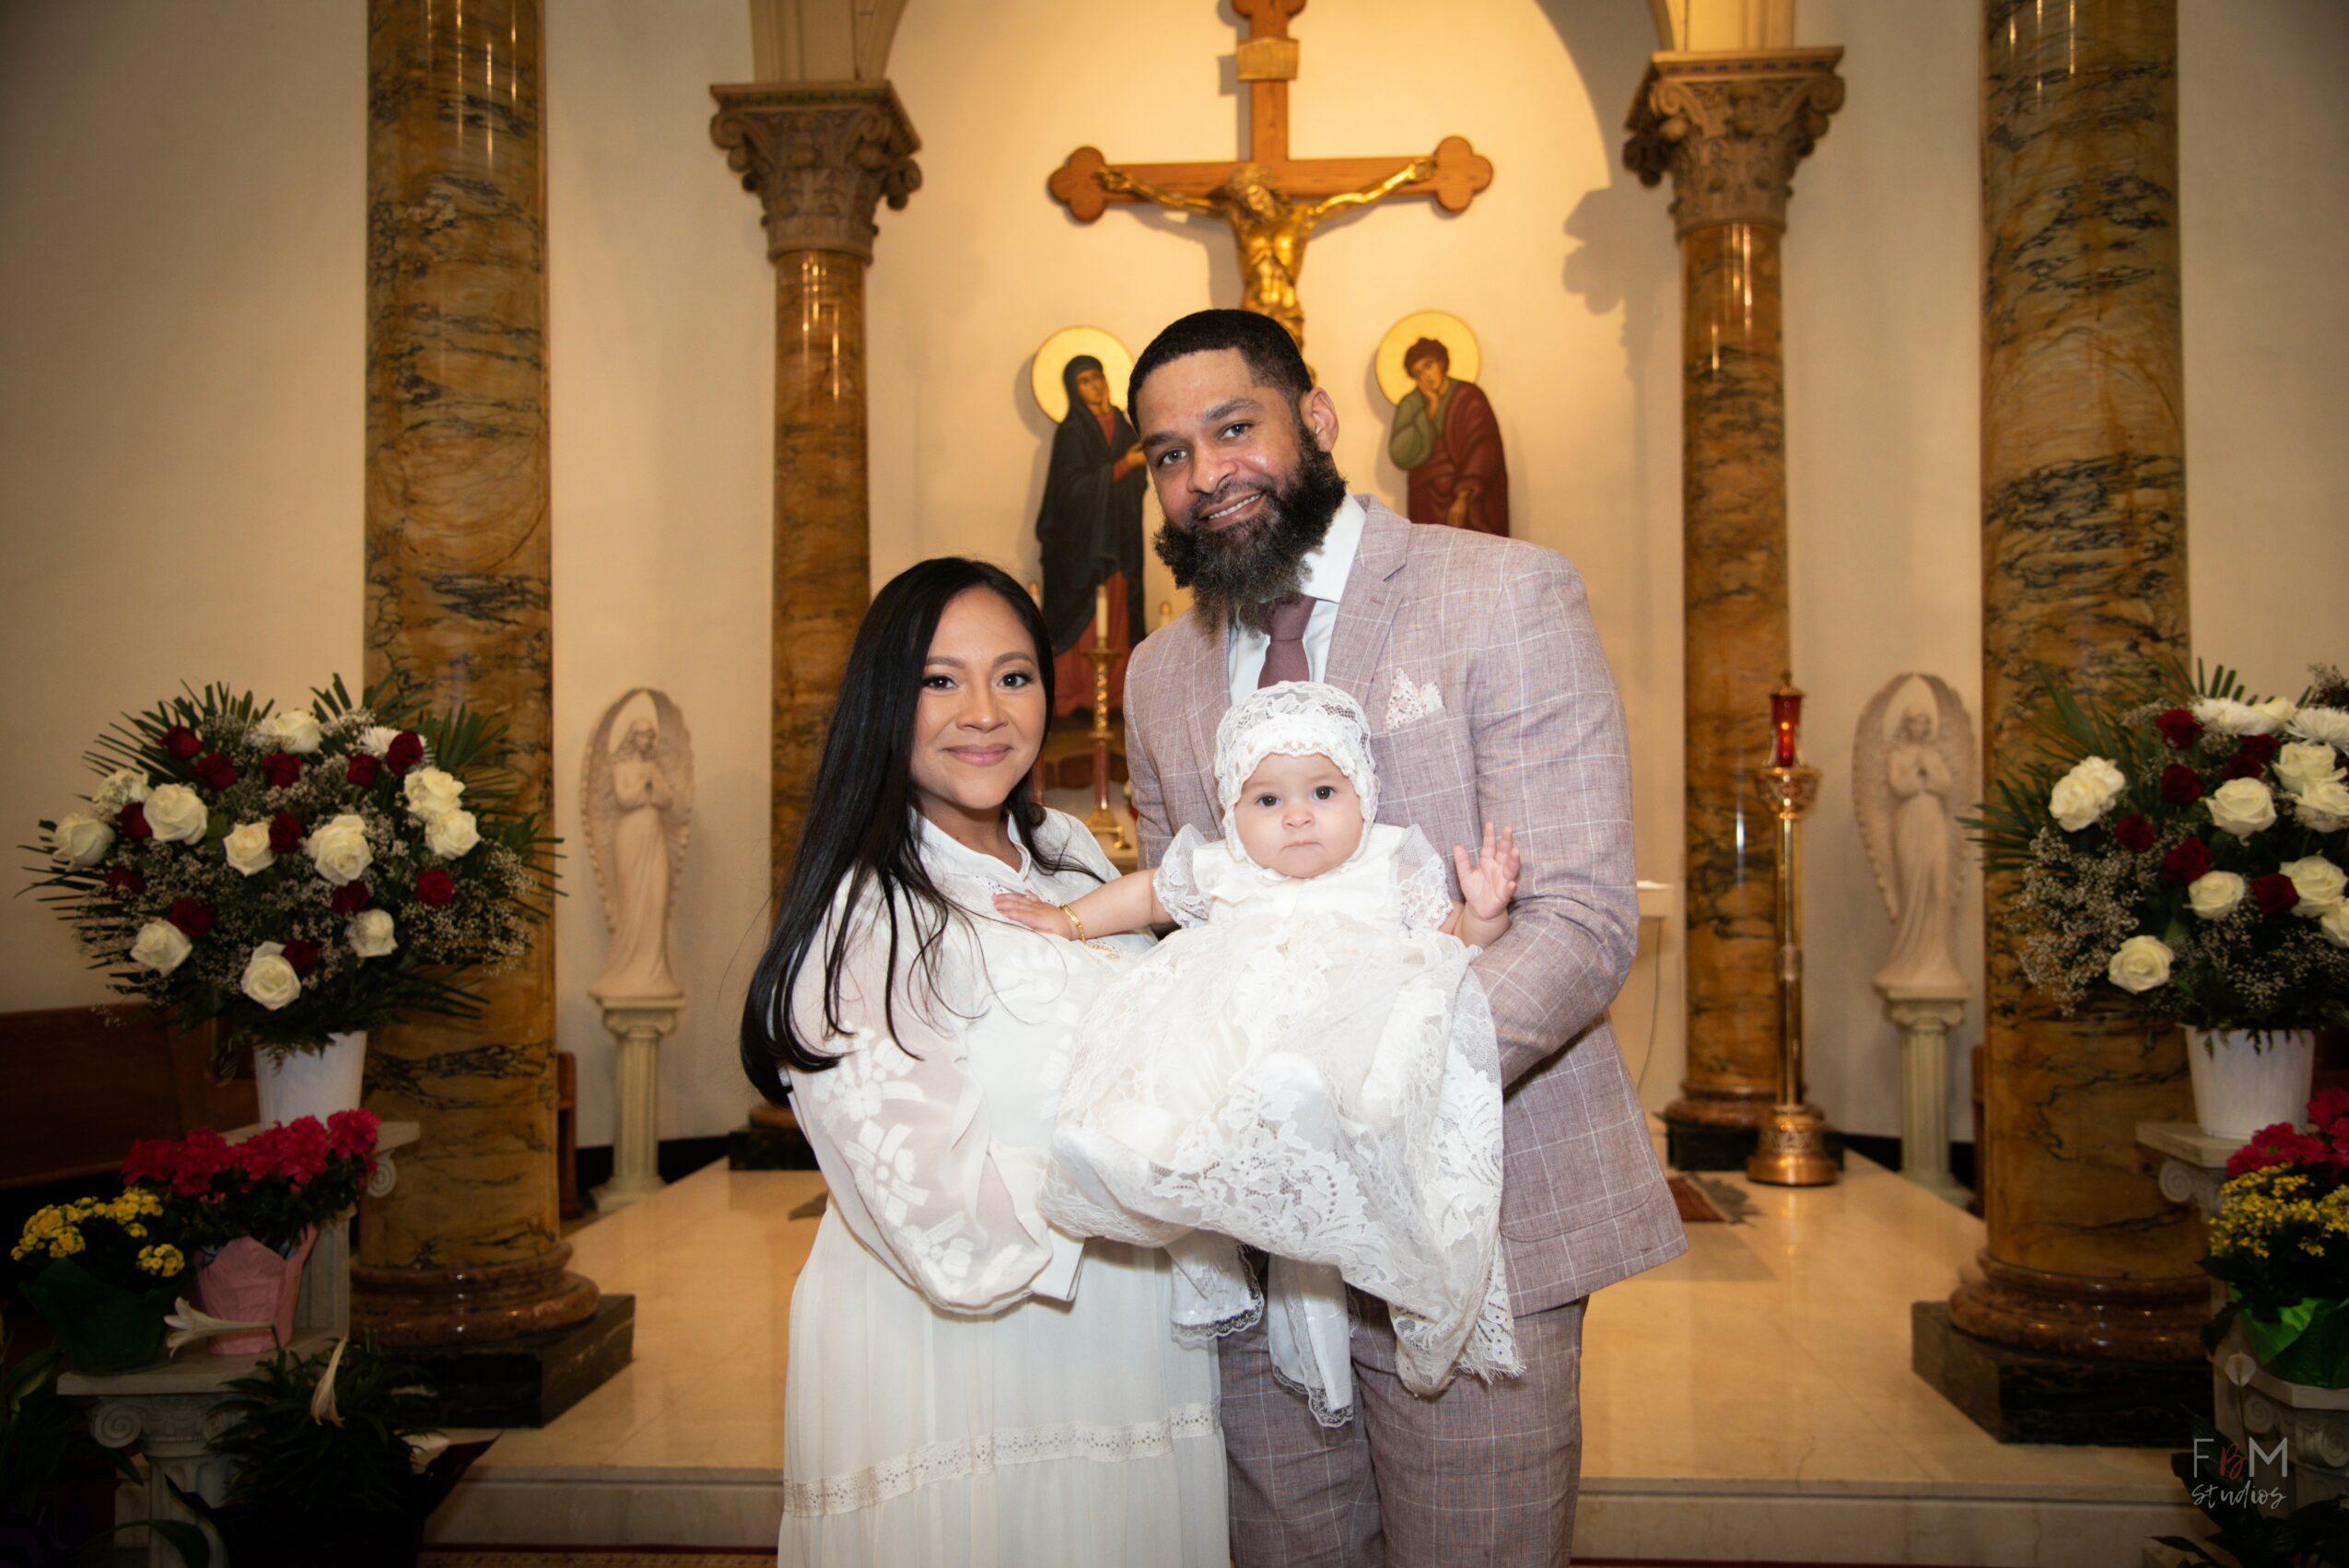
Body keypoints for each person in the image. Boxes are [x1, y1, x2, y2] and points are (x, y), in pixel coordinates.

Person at [1120, 308, 1687, 1566]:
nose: (1205, 474)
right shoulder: (1159, 673)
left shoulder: (1501, 593)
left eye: (1232, 427)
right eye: (1168, 454)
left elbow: (1578, 916)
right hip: (1258, 1243)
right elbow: (1187, 928)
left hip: (1478, 1224)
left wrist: (1378, 1098)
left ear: (1317, 419)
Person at [739, 558, 1228, 1568]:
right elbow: (939, 1222)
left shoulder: (1071, 856)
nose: (984, 713)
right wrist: (1176, 1183)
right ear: (885, 698)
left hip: (1131, 1335)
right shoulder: (867, 913)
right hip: (970, 1356)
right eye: (939, 680)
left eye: (1013, 676)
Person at [993, 681, 1524, 1428]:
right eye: (1268, 800)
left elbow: (1451, 941)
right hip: (1239, 1052)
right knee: (1173, 1057)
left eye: (1323, 792)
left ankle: (1312, 1110)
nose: (1298, 815)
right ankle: (1126, 1145)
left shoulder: (1387, 863)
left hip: (1340, 1045)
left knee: (1359, 1063)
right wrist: (1068, 920)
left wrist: (1483, 914)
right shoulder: (1225, 868)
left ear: (1363, 795)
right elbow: (1144, 895)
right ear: (1233, 815)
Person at [1034, 353, 1148, 715]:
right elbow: (1068, 492)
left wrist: (1132, 470)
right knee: (1082, 611)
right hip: (1080, 546)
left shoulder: (1125, 427)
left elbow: (1138, 485)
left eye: (1097, 376)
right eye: (1084, 381)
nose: (1095, 385)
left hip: (1120, 541)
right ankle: (1076, 693)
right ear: (1074, 390)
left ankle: (1113, 694)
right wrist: (1122, 466)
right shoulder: (1071, 433)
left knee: (1119, 608)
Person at [1385, 336, 1509, 535]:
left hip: (1468, 496)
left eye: (1428, 365)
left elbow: (1484, 446)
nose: (1426, 376)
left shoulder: (1469, 397)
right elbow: (1399, 453)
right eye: (1418, 373)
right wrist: (1428, 413)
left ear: (1441, 362)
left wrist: (1463, 495)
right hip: (1426, 501)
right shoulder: (1411, 404)